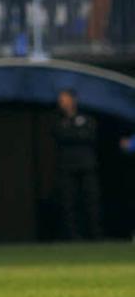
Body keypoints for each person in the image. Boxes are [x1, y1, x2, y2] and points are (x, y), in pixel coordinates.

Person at [50, 89, 101, 240]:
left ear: (73, 100)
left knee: (92, 201)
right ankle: (73, 237)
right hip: (67, 167)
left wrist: (72, 134)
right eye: (61, 100)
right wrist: (77, 134)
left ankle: (96, 235)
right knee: (69, 203)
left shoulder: (87, 118)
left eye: (65, 99)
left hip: (87, 166)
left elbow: (89, 135)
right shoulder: (57, 121)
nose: (62, 103)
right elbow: (58, 135)